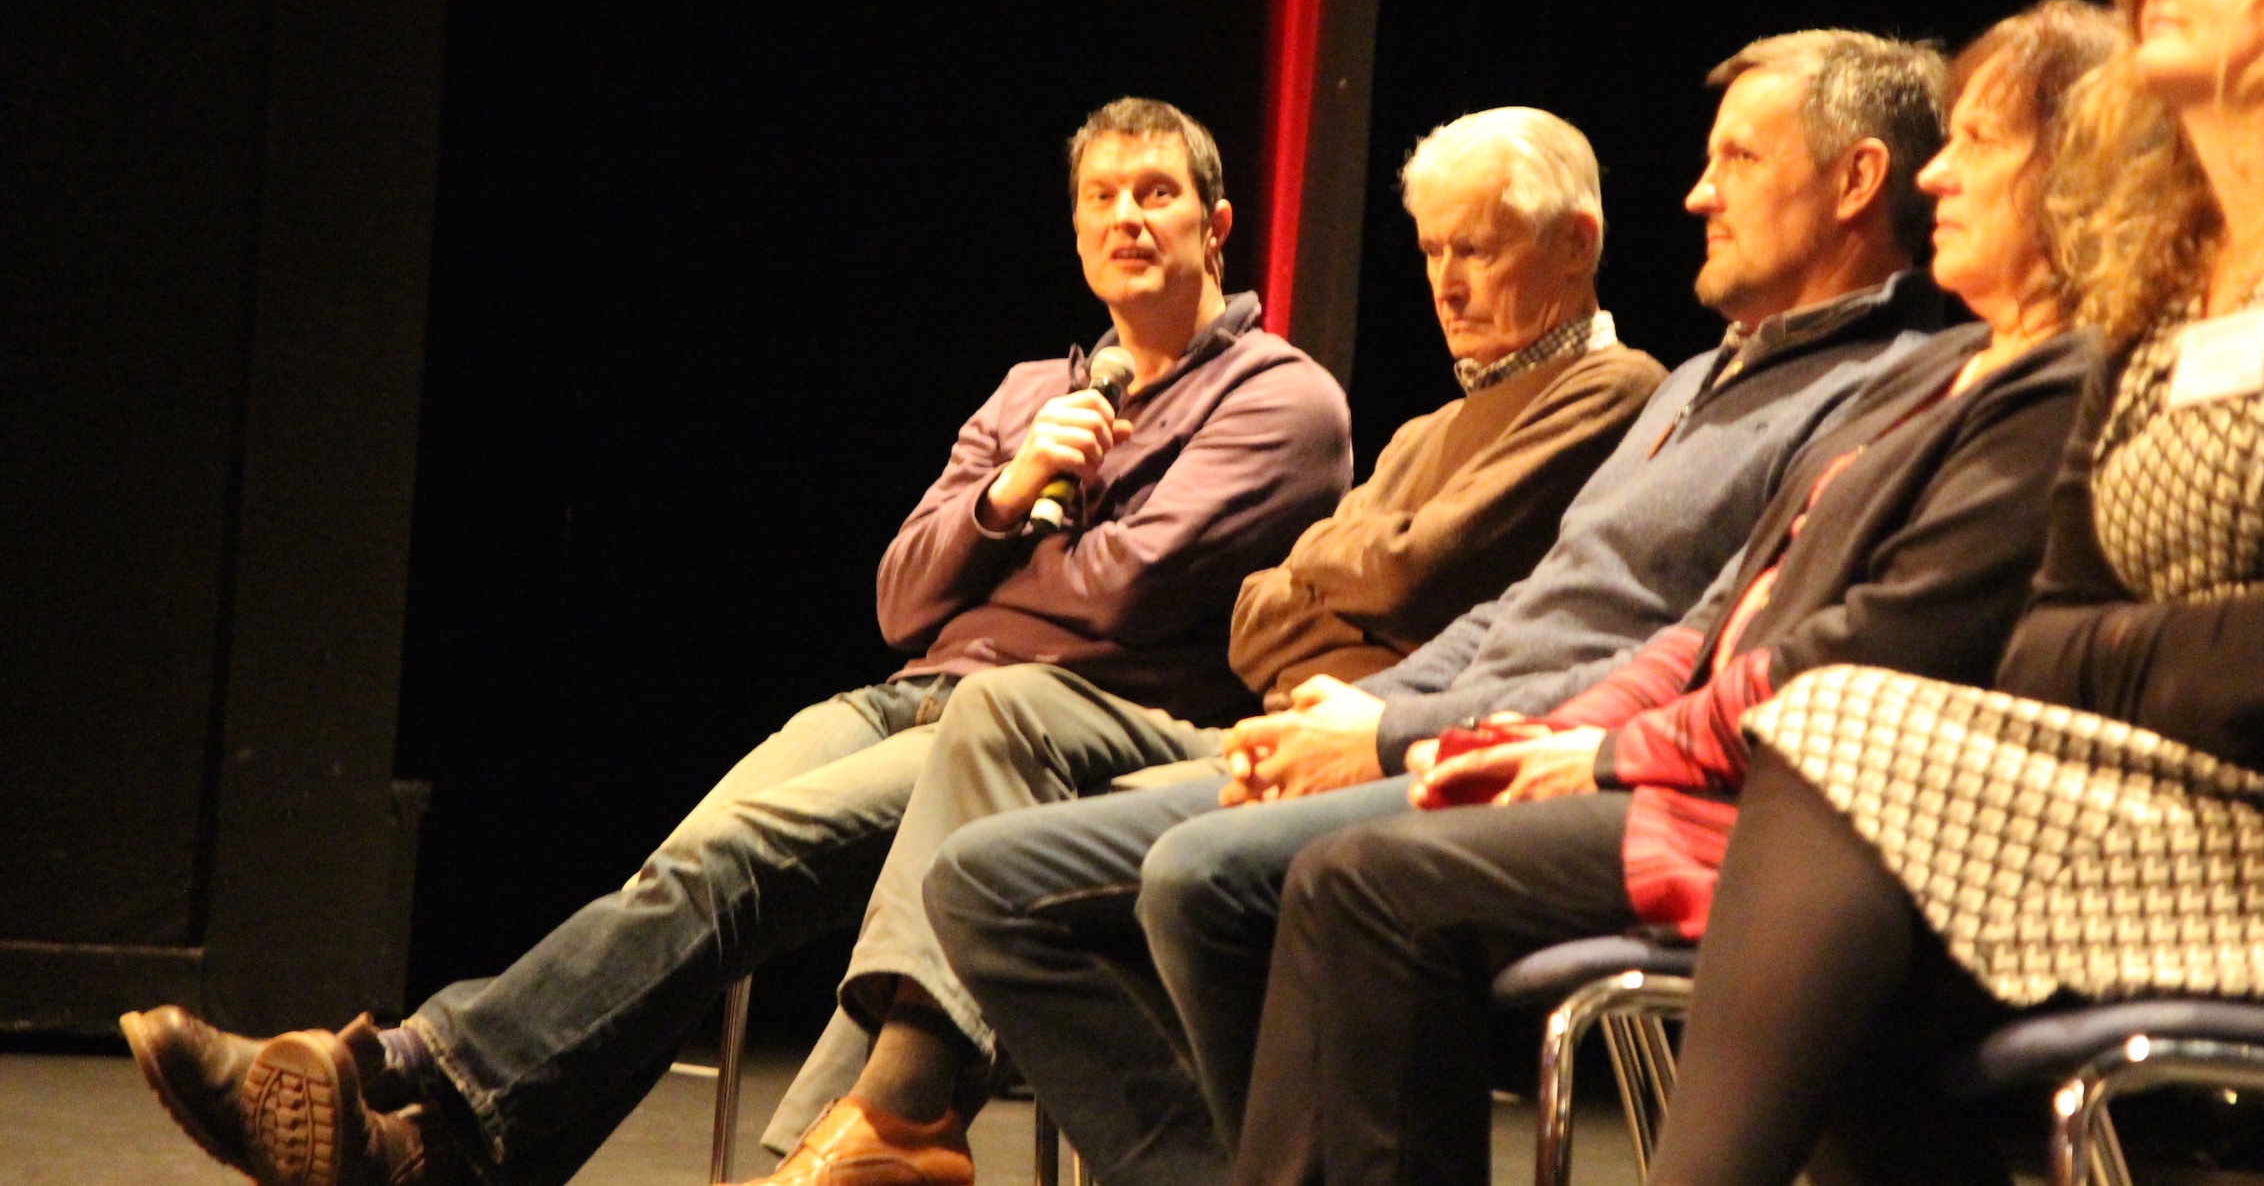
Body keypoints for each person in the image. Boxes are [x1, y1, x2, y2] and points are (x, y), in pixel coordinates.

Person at [118, 97, 1355, 1186]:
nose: (1127, 217)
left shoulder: (1278, 398)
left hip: (1053, 735)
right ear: (1075, 228)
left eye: (1157, 194)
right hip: (908, 696)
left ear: (1216, 225)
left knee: (730, 866)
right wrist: (1006, 493)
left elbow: (1122, 599)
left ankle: (392, 1066)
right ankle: (427, 1156)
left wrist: (1006, 563)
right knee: (676, 877)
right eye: (1102, 196)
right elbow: (901, 597)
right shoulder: (1033, 391)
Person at [924, 31, 1959, 1186]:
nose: (1698, 193)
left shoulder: (1869, 387)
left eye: (1739, 160)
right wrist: (1366, 708)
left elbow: (1675, 640)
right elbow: (1493, 606)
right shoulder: (1694, 380)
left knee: (1203, 877)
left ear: (1856, 180)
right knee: (978, 877)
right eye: (1433, 251)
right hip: (1425, 719)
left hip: (1553, 759)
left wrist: (1387, 730)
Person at [1644, 0, 2264, 1185]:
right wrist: (2135, 664)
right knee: (1856, 925)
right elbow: (2043, 629)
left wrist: (2123, 664)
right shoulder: (2175, 258)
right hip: (2162, 801)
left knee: (1845, 738)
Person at [1232, 0, 2124, 1186]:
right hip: (1725, 768)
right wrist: (1557, 736)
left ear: (2079, 175)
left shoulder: (2045, 381)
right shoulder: (1943, 374)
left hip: (1810, 806)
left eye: (1978, 143)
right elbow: (1720, 614)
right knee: (1321, 872)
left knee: (1355, 882)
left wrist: (1603, 754)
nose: (1939, 175)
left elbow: (1859, 651)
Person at [743, 108, 1668, 1184]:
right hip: (1251, 726)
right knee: (899, 840)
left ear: (1575, 245)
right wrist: (1018, 498)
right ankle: (884, 1128)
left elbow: (1407, 571)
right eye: (1431, 252)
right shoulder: (1426, 430)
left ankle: (883, 1126)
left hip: (1397, 751)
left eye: (1477, 249)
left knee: (1010, 780)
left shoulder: (1609, 392)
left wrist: (1333, 577)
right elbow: (1254, 621)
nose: (1446, 285)